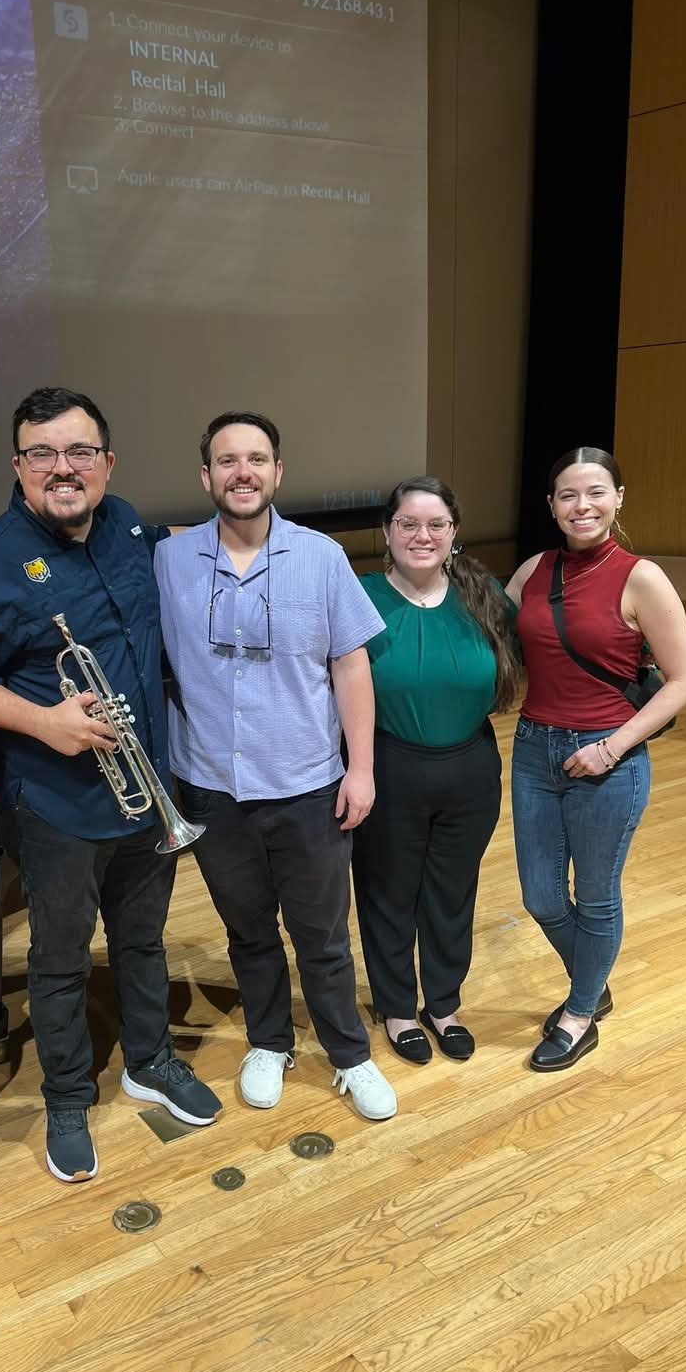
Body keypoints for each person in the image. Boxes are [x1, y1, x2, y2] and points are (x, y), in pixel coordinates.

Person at [0, 386, 221, 1184]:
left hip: (148, 790)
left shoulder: (130, 524)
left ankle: (151, 1061)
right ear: (19, 465)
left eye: (80, 453)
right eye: (44, 453)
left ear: (106, 462)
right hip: (59, 799)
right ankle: (67, 1094)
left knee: (141, 937)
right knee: (61, 959)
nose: (64, 469)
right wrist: (42, 721)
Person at [154, 410, 397, 1120]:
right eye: (227, 461)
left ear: (278, 473)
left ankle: (349, 1055)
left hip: (307, 785)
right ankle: (270, 1040)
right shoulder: (169, 562)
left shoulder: (321, 556)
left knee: (322, 936)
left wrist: (363, 769)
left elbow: (351, 666)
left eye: (256, 459)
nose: (243, 472)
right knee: (249, 929)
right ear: (206, 476)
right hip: (211, 790)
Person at [506, 446, 686, 1071]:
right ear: (552, 506)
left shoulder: (642, 577)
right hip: (535, 748)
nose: (581, 505)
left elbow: (684, 680)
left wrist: (612, 747)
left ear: (618, 499)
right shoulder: (533, 569)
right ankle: (593, 977)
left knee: (594, 896)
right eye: (568, 494)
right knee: (540, 897)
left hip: (609, 757)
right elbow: (488, 639)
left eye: (595, 492)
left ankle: (581, 1011)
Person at [351, 477, 520, 1065]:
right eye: (408, 524)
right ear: (387, 532)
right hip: (389, 763)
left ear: (454, 533)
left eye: (435, 525)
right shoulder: (359, 596)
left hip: (471, 767)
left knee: (452, 892)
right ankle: (397, 1007)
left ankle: (442, 1004)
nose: (422, 536)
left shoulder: (484, 595)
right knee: (388, 892)